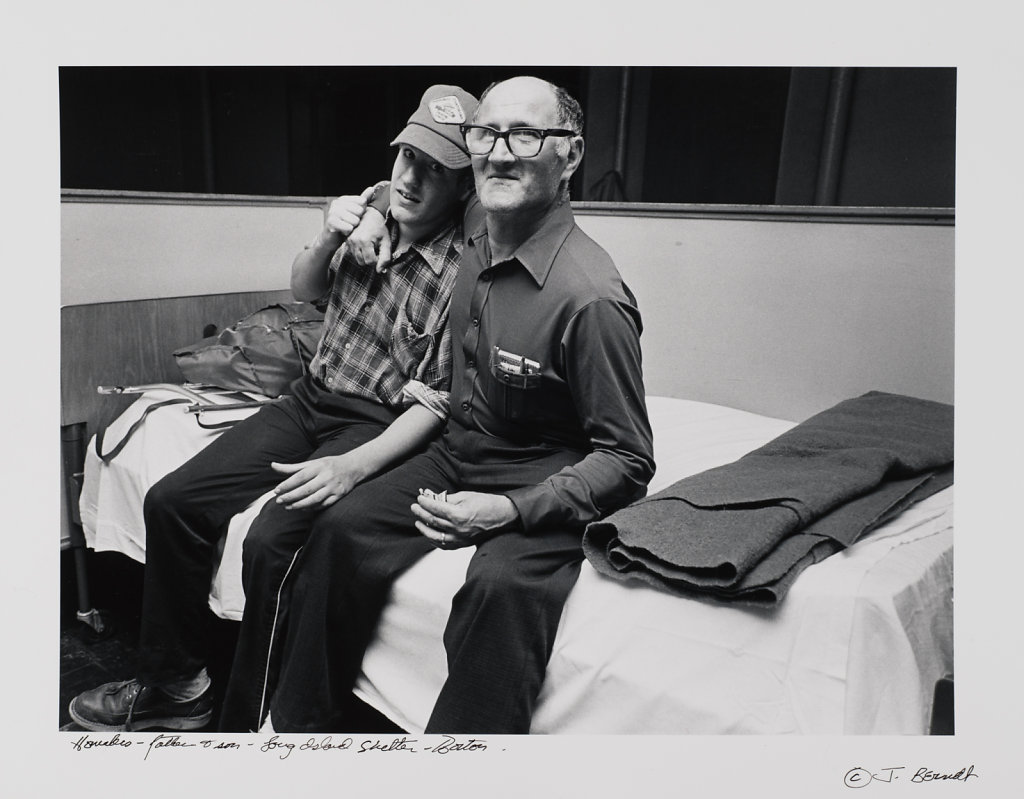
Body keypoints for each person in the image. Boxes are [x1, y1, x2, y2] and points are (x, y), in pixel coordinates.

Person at [68, 84, 479, 733]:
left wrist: (353, 468)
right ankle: (175, 684)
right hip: (309, 397)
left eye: (436, 170)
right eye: (408, 157)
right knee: (174, 500)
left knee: (269, 543)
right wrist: (327, 235)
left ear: (463, 188)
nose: (411, 178)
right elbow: (304, 288)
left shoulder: (464, 273)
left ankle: (249, 721)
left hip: (374, 420)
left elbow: (436, 401)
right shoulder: (374, 203)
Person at [262, 76, 655, 734]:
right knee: (338, 531)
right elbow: (405, 186)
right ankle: (302, 734)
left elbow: (628, 457)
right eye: (486, 133)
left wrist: (509, 509)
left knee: (498, 592)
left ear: (572, 156)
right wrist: (368, 213)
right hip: (462, 450)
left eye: (527, 135)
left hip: (543, 472)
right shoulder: (480, 238)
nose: (500, 152)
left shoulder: (590, 297)